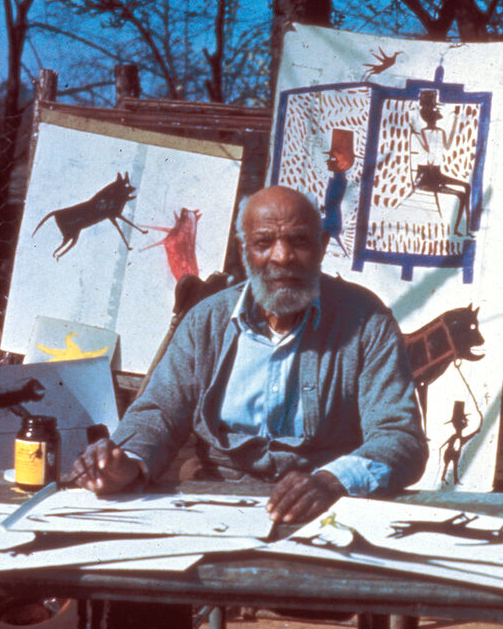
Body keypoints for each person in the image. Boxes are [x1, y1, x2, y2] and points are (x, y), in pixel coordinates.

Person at [69, 185, 429, 525]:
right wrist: (124, 463)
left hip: (323, 511)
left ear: (321, 247)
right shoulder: (206, 322)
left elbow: (401, 438)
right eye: (264, 243)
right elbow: (159, 413)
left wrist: (332, 481)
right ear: (245, 253)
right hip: (213, 503)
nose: (282, 257)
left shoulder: (365, 320)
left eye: (299, 242)